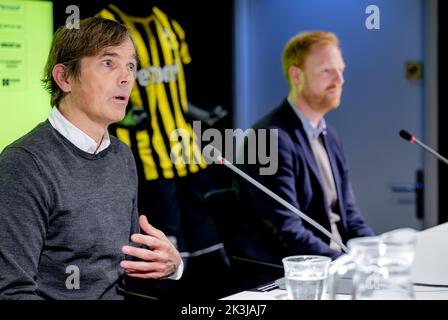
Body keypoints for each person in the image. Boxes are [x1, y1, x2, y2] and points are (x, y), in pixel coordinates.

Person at [0, 17, 182, 300]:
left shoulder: (122, 156)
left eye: (131, 66)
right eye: (108, 63)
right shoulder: (25, 164)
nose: (126, 78)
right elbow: (13, 292)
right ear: (65, 78)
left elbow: (123, 266)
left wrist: (172, 265)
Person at [95, 3, 233, 299]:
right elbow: (91, 83)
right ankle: (168, 292)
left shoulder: (167, 22)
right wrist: (127, 117)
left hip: (186, 149)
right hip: (146, 156)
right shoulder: (106, 23)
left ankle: (213, 293)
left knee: (204, 229)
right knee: (165, 231)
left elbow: (173, 87)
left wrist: (201, 114)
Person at [235, 31, 374, 285]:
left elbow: (350, 216)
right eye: (326, 71)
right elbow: (288, 231)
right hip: (294, 277)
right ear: (296, 75)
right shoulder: (266, 138)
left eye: (341, 70)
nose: (339, 80)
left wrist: (374, 256)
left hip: (333, 268)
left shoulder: (329, 135)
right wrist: (347, 265)